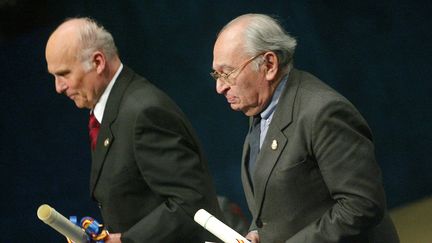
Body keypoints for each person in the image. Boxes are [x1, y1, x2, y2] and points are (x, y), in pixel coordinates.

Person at [211, 13, 399, 243]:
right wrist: (260, 233)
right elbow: (276, 200)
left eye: (227, 72)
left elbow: (362, 205)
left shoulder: (323, 112)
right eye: (216, 74)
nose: (220, 87)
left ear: (269, 65)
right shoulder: (261, 110)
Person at [45, 17, 223, 243]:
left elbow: (191, 202)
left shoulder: (143, 111)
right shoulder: (110, 111)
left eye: (64, 74)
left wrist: (126, 240)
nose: (58, 87)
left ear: (98, 62)